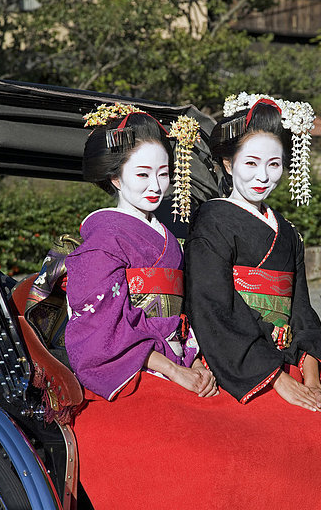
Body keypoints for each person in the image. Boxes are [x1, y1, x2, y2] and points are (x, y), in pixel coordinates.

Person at [183, 93, 321, 509]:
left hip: (292, 365)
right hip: (239, 366)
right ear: (227, 164)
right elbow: (214, 308)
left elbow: (302, 311)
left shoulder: (289, 233)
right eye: (250, 163)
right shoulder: (212, 223)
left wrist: (311, 378)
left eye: (274, 164)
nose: (263, 176)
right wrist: (277, 380)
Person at [64, 104, 218, 509]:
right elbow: (102, 332)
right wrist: (171, 369)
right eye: (142, 174)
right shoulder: (101, 242)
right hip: (135, 367)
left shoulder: (165, 235)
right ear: (115, 176)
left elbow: (187, 309)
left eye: (164, 174)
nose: (156, 186)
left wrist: (198, 360)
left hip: (182, 359)